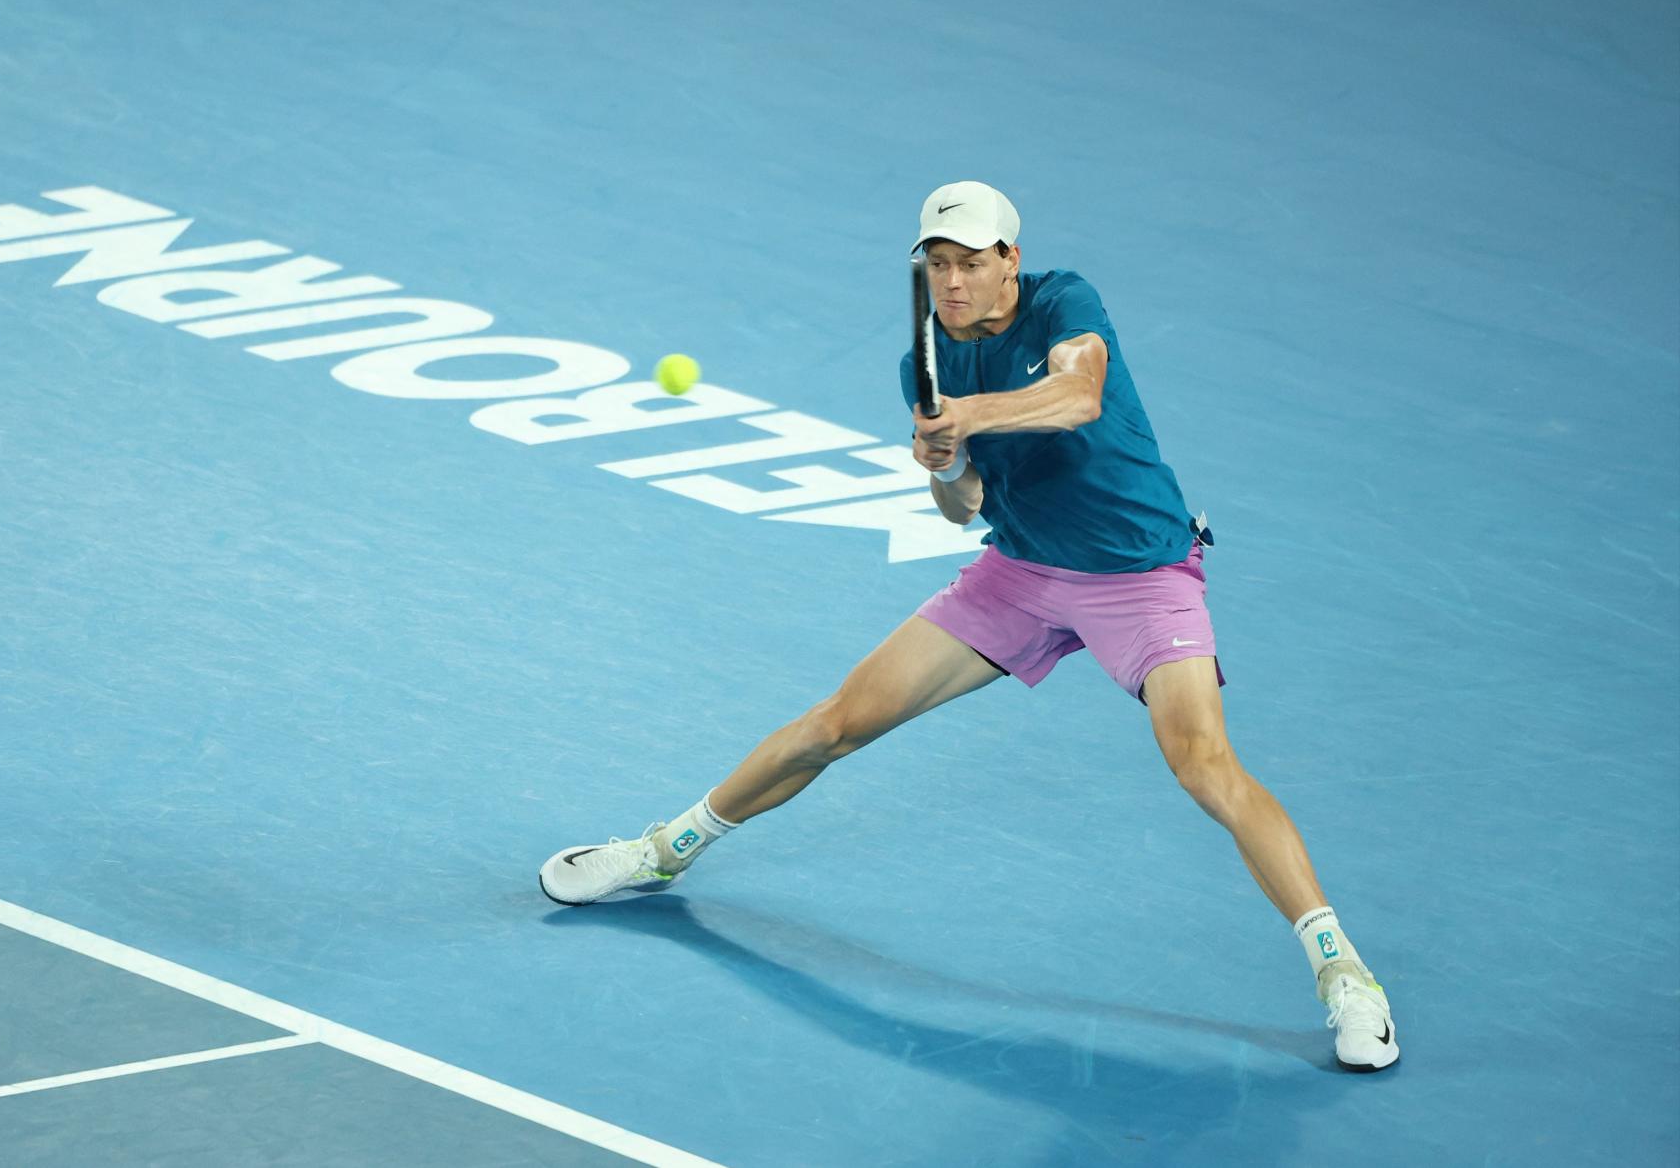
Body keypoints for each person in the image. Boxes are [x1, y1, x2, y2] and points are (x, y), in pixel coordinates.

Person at [538, 182, 1399, 1073]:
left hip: (1140, 575)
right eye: (938, 265)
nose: (951, 282)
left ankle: (1347, 977)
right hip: (1020, 572)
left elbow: (1079, 395)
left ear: (1010, 261)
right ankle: (662, 851)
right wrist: (943, 463)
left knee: (1204, 765)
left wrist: (971, 415)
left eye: (970, 262)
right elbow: (963, 508)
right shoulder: (926, 367)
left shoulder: (1065, 302)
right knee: (838, 721)